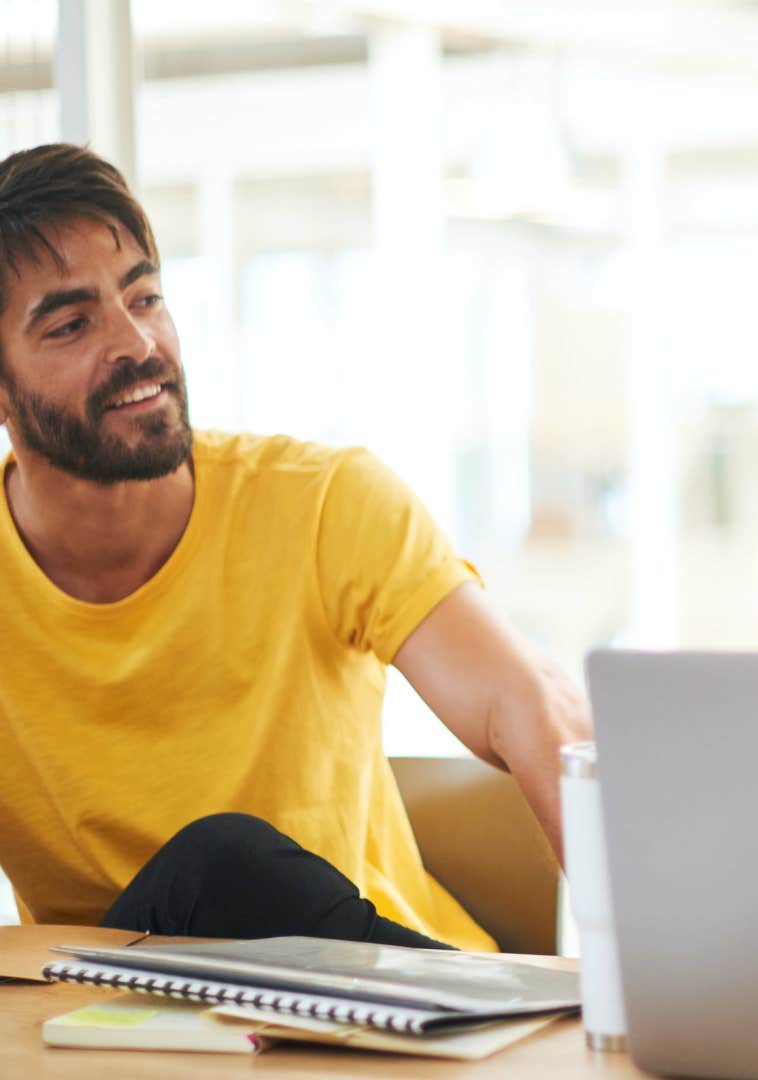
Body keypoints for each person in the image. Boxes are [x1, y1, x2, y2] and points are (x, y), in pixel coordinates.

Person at [0, 143, 589, 950]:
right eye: (71, 324)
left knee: (220, 864)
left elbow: (522, 704)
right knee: (211, 870)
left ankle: (504, 1009)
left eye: (145, 296)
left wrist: (639, 971)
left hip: (385, 1008)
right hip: (122, 1032)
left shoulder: (321, 502)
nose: (137, 343)